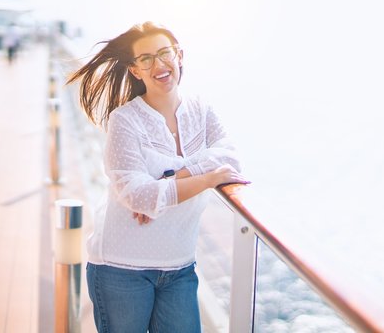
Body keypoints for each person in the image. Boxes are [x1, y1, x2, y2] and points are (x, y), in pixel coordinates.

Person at [67, 21, 248, 332]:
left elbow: (230, 157)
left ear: (179, 56)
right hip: (121, 269)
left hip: (179, 267)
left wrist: (174, 178)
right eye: (146, 59)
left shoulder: (200, 110)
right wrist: (205, 179)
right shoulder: (124, 120)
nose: (159, 65)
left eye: (165, 53)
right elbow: (137, 196)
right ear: (135, 70)